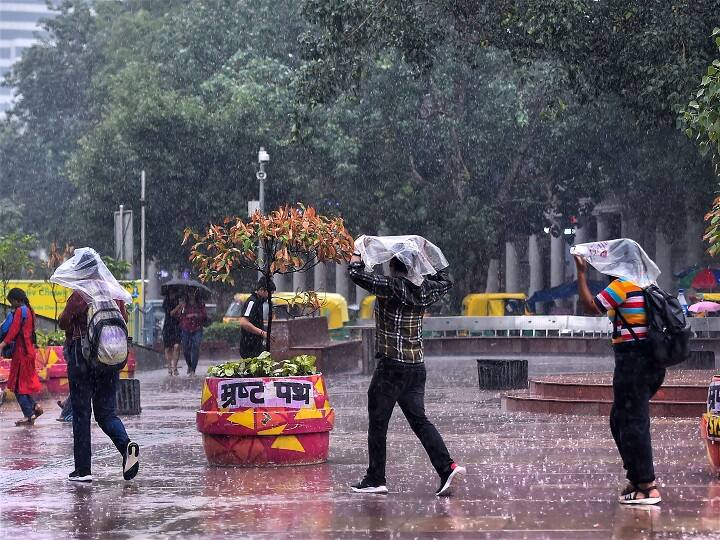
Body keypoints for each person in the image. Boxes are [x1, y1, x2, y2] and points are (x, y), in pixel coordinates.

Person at [348, 253, 466, 496]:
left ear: (392, 267)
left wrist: (357, 255)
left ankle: (375, 478)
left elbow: (356, 274)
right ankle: (446, 467)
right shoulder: (425, 290)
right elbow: (446, 280)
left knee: (378, 423)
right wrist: (427, 261)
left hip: (391, 367)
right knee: (420, 421)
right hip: (416, 367)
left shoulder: (390, 286)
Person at [575, 252, 663, 505]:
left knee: (633, 421)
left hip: (633, 361)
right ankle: (637, 476)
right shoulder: (646, 284)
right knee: (621, 418)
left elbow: (591, 307)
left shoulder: (622, 286)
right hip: (650, 361)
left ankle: (647, 485)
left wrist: (581, 273)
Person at [55, 248, 139, 483]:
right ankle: (126, 446)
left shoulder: (81, 292)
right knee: (106, 413)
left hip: (83, 358)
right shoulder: (114, 292)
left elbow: (63, 322)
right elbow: (123, 321)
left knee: (82, 413)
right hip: (109, 358)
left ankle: (83, 470)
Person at [0, 288, 42, 426]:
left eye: (11, 301)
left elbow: (13, 331)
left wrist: (2, 344)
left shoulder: (19, 311)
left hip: (21, 354)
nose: (11, 304)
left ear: (17, 300)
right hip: (29, 351)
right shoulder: (29, 310)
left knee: (18, 387)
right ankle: (35, 406)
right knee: (23, 385)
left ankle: (28, 415)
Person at [238, 279, 275, 358]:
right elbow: (244, 322)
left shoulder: (259, 302)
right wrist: (262, 333)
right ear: (261, 290)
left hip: (256, 344)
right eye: (269, 293)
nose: (270, 297)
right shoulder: (252, 302)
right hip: (249, 346)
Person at [177, 288, 208, 375]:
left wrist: (195, 315)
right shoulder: (184, 304)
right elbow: (179, 316)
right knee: (186, 348)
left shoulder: (200, 304)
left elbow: (204, 315)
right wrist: (181, 307)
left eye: (193, 292)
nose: (191, 294)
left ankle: (193, 369)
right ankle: (189, 366)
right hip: (185, 328)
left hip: (197, 328)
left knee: (195, 348)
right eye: (189, 292)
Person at [162, 288, 182, 376]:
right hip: (168, 326)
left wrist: (181, 308)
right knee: (168, 348)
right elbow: (170, 313)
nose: (173, 293)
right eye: (171, 291)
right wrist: (178, 306)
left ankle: (175, 367)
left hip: (177, 326)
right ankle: (169, 367)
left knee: (177, 346)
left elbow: (179, 314)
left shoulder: (178, 300)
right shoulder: (166, 302)